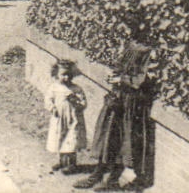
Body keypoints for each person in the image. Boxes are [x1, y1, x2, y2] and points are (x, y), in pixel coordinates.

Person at [75, 40, 156, 190]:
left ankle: (113, 180)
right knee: (108, 137)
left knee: (123, 140)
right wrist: (113, 76)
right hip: (118, 99)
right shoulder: (130, 44)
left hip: (132, 104)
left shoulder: (149, 52)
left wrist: (122, 79)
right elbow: (120, 67)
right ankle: (97, 174)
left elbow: (140, 81)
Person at [45, 59, 88, 175]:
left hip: (73, 119)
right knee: (60, 138)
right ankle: (62, 162)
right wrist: (52, 108)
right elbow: (48, 100)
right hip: (60, 118)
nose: (66, 78)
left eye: (69, 75)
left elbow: (83, 104)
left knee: (72, 140)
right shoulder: (54, 88)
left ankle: (72, 164)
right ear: (56, 74)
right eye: (63, 75)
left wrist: (75, 101)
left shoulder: (76, 89)